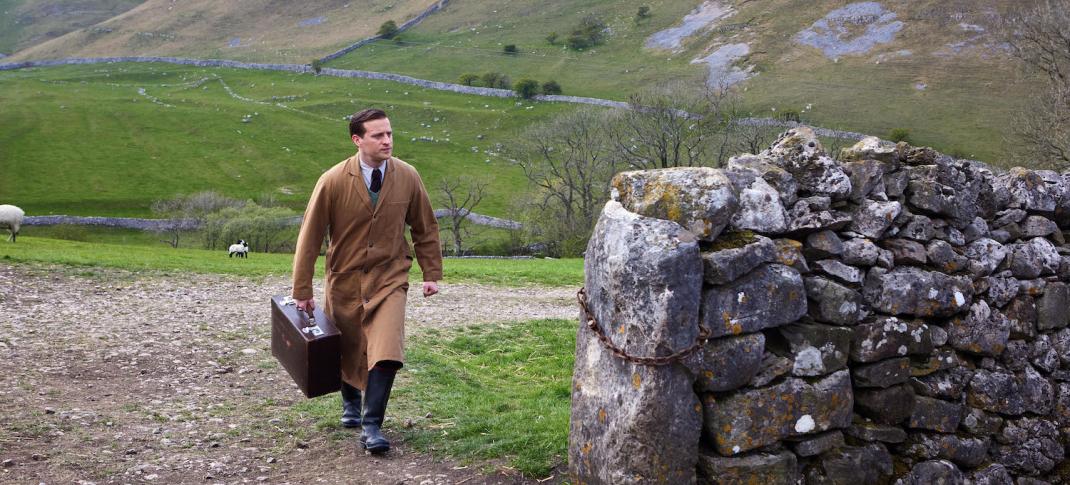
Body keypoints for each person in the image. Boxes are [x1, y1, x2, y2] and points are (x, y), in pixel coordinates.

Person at [291, 108, 442, 454]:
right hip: (344, 278)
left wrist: (430, 273)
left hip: (390, 277)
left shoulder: (408, 176)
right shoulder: (331, 180)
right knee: (349, 344)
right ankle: (349, 402)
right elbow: (310, 237)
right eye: (378, 135)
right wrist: (302, 290)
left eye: (389, 133)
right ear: (357, 140)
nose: (387, 140)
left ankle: (372, 424)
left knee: (387, 349)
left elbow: (425, 227)